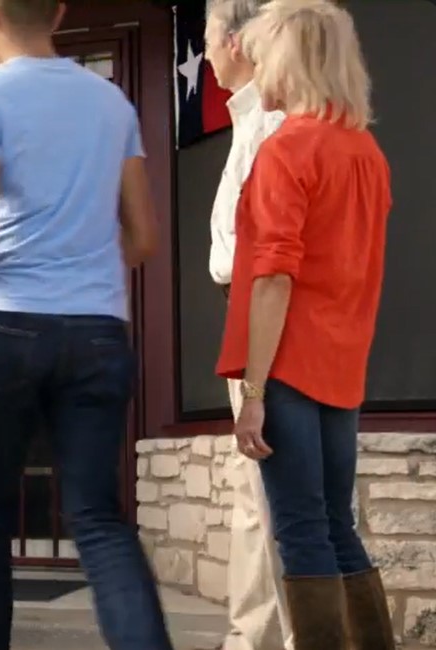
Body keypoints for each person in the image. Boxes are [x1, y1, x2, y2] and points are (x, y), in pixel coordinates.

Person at [0, 1, 166, 648]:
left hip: (8, 323)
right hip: (98, 328)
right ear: (59, 12)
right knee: (99, 519)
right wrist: (87, 269)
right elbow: (145, 236)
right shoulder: (112, 102)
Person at [219, 1, 394, 649]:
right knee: (334, 523)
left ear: (287, 59)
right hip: (343, 364)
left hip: (289, 362)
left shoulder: (287, 149)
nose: (253, 62)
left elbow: (272, 277)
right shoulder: (365, 152)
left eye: (261, 51)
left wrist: (255, 394)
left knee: (299, 528)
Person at [200, 2, 292, 649]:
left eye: (206, 36)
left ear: (234, 40)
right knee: (255, 506)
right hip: (247, 317)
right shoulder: (249, 119)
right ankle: (249, 641)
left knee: (282, 508)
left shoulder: (275, 122)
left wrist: (256, 384)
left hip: (271, 326)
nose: (203, 53)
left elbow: (270, 256)